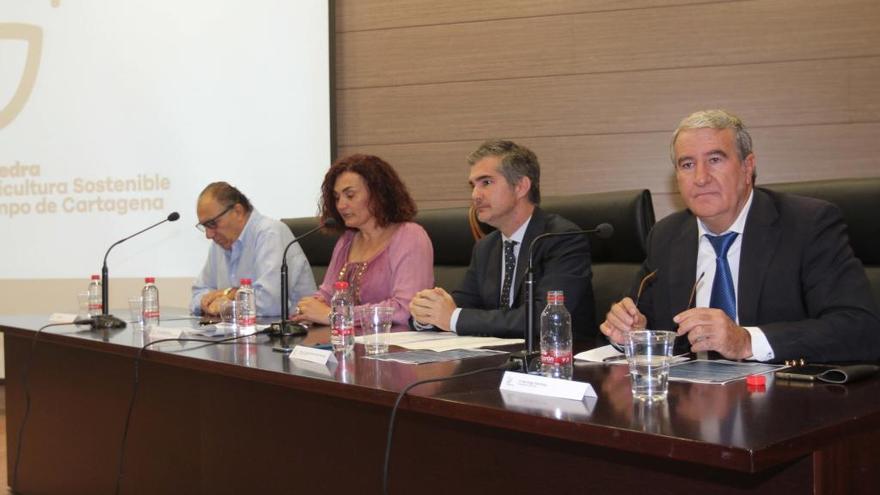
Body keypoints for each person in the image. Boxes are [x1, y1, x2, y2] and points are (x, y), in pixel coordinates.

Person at [600, 109, 880, 363]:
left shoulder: (808, 225)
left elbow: (859, 328)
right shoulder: (666, 236)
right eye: (687, 165)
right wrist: (630, 331)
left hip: (787, 404)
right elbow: (643, 322)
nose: (700, 177)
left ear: (747, 168)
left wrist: (746, 341)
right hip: (689, 405)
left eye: (714, 159)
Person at [409, 139, 595, 340]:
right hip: (498, 359)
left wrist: (453, 318)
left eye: (486, 183)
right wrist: (427, 313)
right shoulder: (485, 247)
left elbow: (544, 317)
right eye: (473, 185)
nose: (475, 195)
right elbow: (462, 305)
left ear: (521, 187)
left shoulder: (561, 239)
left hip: (559, 361)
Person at [291, 154, 433, 327]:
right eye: (337, 198)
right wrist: (308, 308)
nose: (341, 205)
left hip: (395, 347)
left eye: (350, 195)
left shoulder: (410, 236)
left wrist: (335, 315)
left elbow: (406, 309)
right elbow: (328, 293)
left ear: (378, 194)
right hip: (349, 342)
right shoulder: (347, 240)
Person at [190, 182, 316, 317]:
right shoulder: (220, 243)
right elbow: (198, 295)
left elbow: (270, 304)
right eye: (204, 226)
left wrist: (227, 295)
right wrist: (208, 302)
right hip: (242, 332)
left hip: (293, 332)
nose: (209, 235)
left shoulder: (270, 233)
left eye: (212, 223)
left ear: (238, 212)